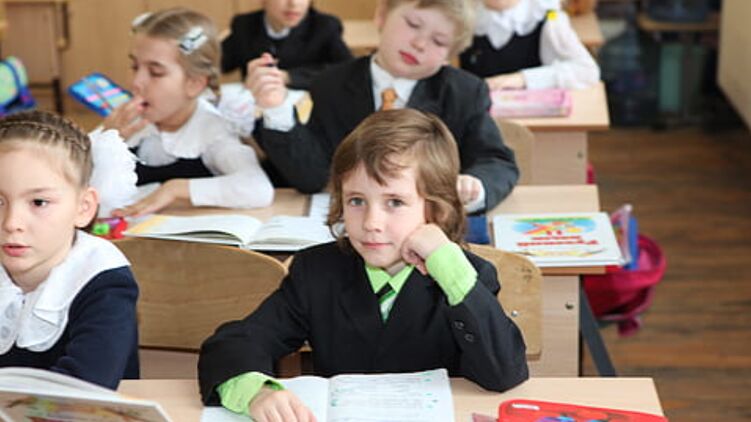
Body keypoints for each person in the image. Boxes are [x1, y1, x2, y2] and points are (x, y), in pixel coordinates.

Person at [198, 110, 529, 420]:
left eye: (394, 202)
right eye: (356, 201)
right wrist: (257, 391)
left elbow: (504, 371)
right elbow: (237, 342)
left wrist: (446, 263)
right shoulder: (317, 271)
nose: (371, 222)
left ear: (437, 209)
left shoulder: (464, 276)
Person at [247, 0, 519, 213]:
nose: (419, 43)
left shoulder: (465, 93)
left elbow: (497, 162)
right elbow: (311, 176)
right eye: (413, 24)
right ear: (382, 15)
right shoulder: (331, 84)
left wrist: (475, 186)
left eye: (439, 41)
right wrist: (276, 109)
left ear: (449, 56)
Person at [0, 110, 139, 389]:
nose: (12, 223)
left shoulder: (105, 282)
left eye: (39, 202)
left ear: (83, 208)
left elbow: (82, 389)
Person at [103, 7, 274, 217]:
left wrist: (175, 189)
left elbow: (258, 188)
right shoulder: (125, 122)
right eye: (134, 66)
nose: (136, 82)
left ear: (194, 84)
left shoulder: (211, 130)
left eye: (155, 72)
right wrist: (105, 142)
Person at [459, 0, 600, 90]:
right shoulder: (461, 14)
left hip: (534, 118)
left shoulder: (548, 14)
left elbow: (587, 71)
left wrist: (522, 79)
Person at [222, 0, 353, 90]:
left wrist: (289, 77)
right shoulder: (244, 25)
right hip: (256, 108)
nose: (293, 3)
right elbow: (219, 62)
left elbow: (348, 70)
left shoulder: (324, 26)